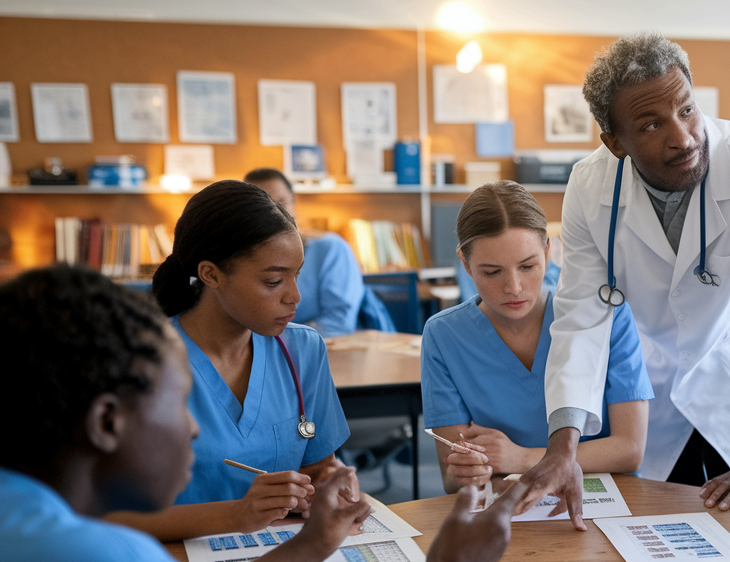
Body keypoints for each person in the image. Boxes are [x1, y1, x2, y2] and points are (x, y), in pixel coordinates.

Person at [0, 265, 520, 562]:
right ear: (107, 422)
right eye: (179, 401)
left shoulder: (28, 529)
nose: (195, 428)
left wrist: (314, 543)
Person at [513, 33, 730, 529]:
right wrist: (563, 446)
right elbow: (579, 319)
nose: (682, 137)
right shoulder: (589, 185)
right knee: (663, 542)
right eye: (652, 123)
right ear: (615, 142)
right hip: (654, 394)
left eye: (686, 110)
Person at [106, 180, 355, 541]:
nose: (295, 297)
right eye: (273, 281)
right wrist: (236, 515)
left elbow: (317, 467)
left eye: (297, 276)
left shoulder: (303, 349)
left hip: (280, 557)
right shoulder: (138, 360)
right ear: (211, 274)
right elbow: (107, 516)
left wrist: (330, 482)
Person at [422, 181, 652, 494]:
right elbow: (451, 478)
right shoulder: (443, 335)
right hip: (507, 509)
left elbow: (629, 450)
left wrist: (520, 458)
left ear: (548, 251)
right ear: (465, 263)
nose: (514, 287)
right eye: (492, 272)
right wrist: (466, 470)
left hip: (607, 502)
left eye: (528, 266)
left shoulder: (605, 316)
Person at [244, 168, 393, 336]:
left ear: (294, 206)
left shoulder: (330, 249)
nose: (273, 215)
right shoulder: (241, 260)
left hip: (331, 351)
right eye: (260, 209)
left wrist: (275, 340)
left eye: (282, 204)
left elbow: (339, 322)